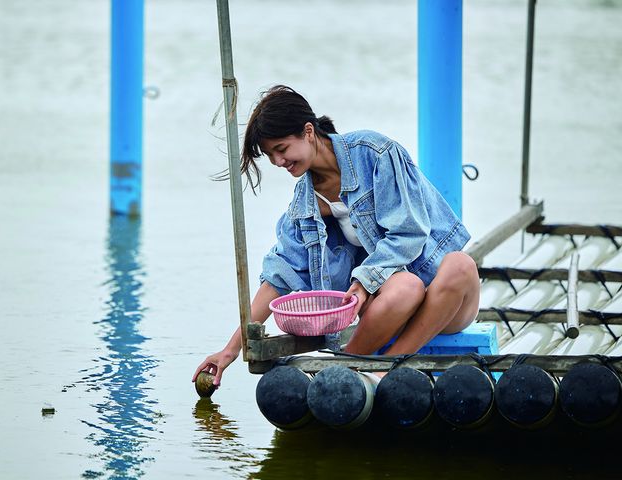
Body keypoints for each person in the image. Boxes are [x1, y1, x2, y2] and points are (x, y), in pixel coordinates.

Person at [193, 85, 480, 388]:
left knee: (460, 265)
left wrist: (362, 283)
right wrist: (230, 350)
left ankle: (356, 372)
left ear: (307, 131)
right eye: (270, 155)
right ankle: (350, 373)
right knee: (404, 287)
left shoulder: (376, 154)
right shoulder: (304, 202)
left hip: (442, 305)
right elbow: (279, 275)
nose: (278, 162)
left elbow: (408, 234)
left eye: (281, 149)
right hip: (391, 310)